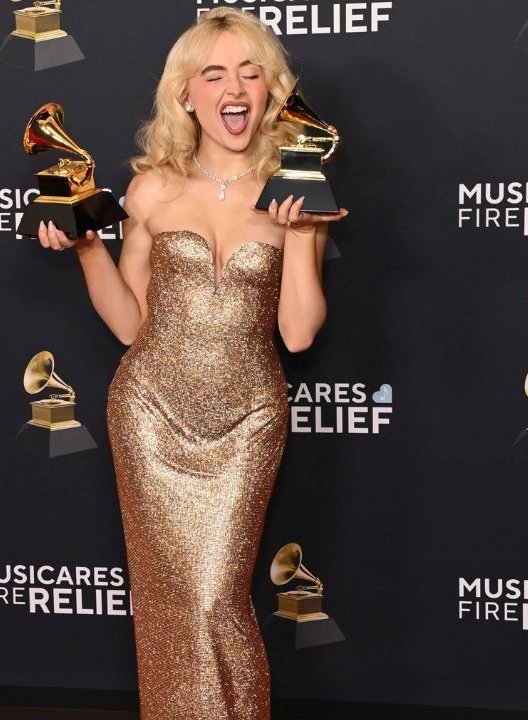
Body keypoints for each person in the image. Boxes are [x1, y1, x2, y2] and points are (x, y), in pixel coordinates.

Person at [36, 8, 346, 719]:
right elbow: (128, 323)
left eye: (251, 72)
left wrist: (301, 235)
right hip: (150, 413)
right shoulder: (150, 191)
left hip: (246, 419)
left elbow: (298, 333)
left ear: (270, 90)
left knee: (217, 596)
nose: (234, 87)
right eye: (214, 73)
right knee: (170, 607)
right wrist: (87, 246)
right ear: (187, 94)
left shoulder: (294, 189)